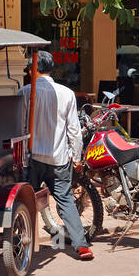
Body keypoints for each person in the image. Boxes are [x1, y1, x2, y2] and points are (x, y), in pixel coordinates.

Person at [20, 51, 92, 261]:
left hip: (32, 158)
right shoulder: (67, 93)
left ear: (34, 68)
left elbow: (20, 126)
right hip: (59, 159)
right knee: (66, 200)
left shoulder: (25, 92)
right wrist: (76, 157)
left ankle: (25, 241)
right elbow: (74, 131)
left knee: (26, 201)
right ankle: (82, 246)